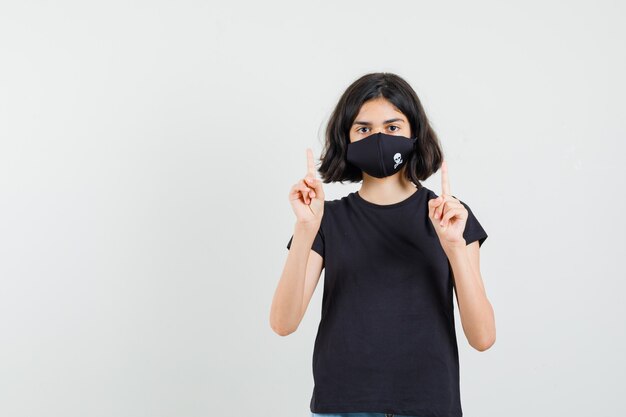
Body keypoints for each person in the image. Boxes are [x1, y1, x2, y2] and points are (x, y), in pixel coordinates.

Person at [270, 72, 496, 417]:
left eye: (392, 127)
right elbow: (283, 323)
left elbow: (483, 338)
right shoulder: (326, 220)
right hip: (342, 405)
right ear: (346, 139)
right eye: (364, 129)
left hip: (429, 405)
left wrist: (453, 248)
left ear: (414, 134)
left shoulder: (451, 218)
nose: (378, 138)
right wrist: (305, 228)